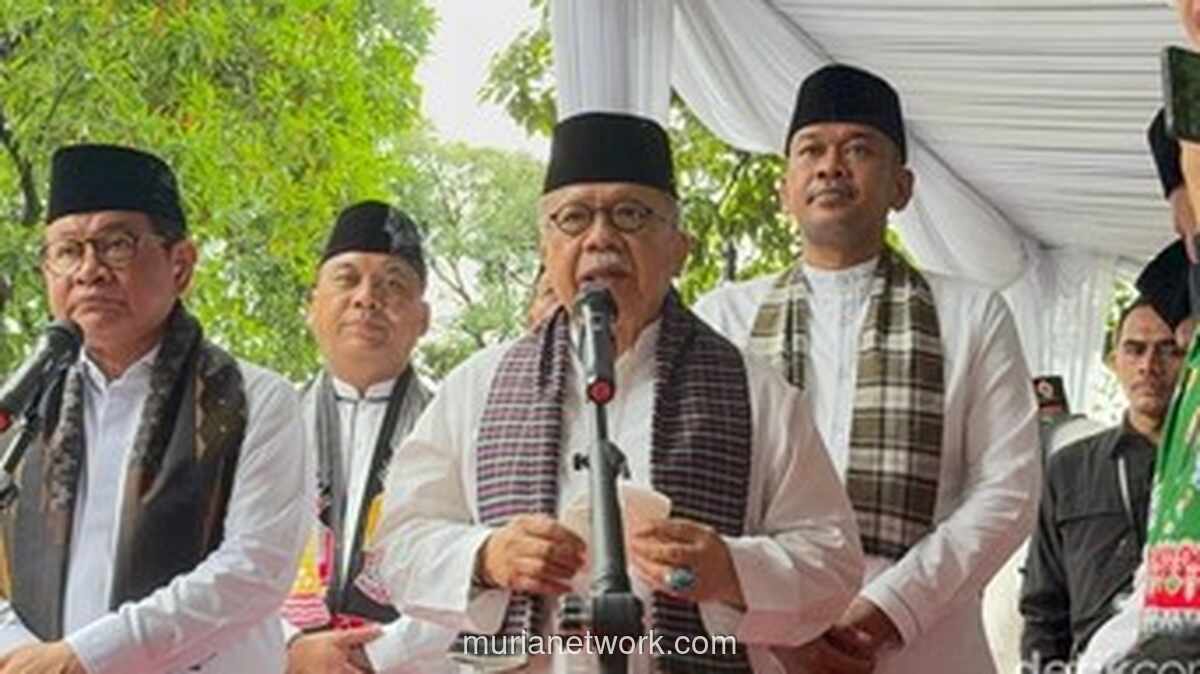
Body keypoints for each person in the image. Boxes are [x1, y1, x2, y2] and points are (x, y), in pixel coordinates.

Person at [373, 111, 865, 674]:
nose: (600, 237)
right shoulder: (478, 386)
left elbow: (832, 558)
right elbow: (399, 545)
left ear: (680, 246)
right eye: (574, 217)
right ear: (545, 246)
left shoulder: (756, 392)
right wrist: (484, 558)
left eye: (631, 214)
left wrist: (733, 569)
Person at [693, 63, 1041, 673]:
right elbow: (693, 489)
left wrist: (886, 609)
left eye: (858, 148)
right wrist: (785, 626)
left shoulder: (971, 313)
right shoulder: (722, 320)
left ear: (901, 187)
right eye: (811, 150)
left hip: (924, 644)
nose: (831, 166)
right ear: (785, 187)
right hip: (762, 644)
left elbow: (1007, 491)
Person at [0, 144, 311, 673]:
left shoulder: (256, 401)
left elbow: (254, 570)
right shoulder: (20, 408)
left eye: (116, 245)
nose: (89, 271)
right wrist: (19, 654)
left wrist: (85, 659)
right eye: (68, 250)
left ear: (181, 264)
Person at [282, 201, 456, 673]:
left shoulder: (458, 430)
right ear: (311, 307)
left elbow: (473, 574)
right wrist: (292, 647)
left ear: (423, 318)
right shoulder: (265, 425)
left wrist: (377, 656)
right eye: (347, 279)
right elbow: (227, 555)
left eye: (393, 283)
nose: (367, 298)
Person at [1019, 299, 1183, 672]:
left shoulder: (1194, 467)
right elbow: (1044, 607)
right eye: (1134, 349)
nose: (1149, 365)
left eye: (1168, 349)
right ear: (1113, 361)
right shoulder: (1069, 468)